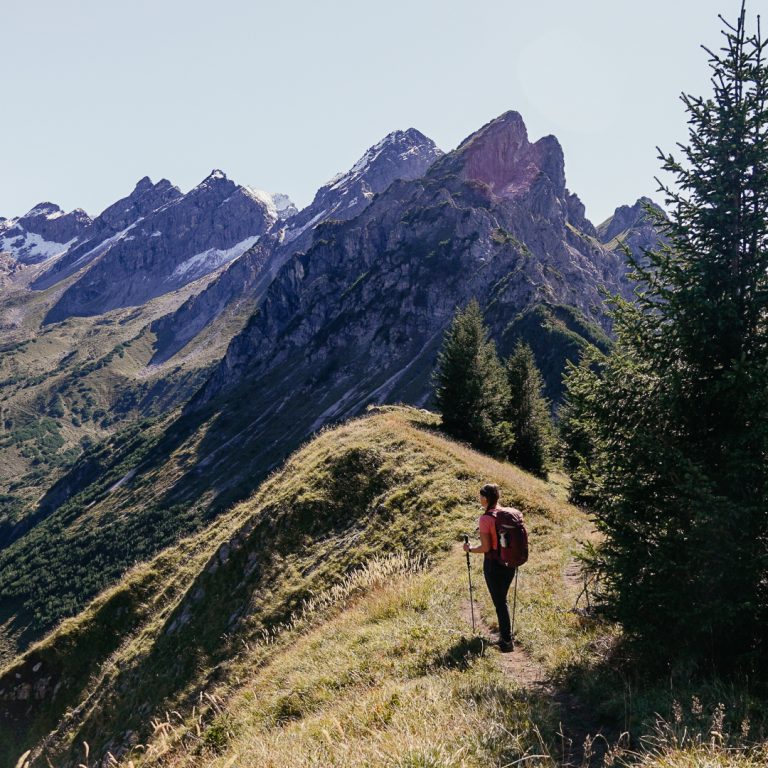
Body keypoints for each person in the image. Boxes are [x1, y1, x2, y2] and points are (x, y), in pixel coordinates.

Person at [463, 482, 515, 651]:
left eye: (480, 496)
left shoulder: (486, 519)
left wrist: (470, 549)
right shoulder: (507, 513)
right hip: (510, 562)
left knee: (500, 602)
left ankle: (506, 641)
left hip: (494, 564)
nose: (479, 499)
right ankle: (506, 635)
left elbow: (486, 548)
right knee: (502, 600)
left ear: (485, 498)